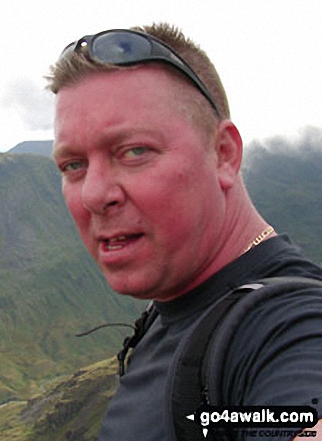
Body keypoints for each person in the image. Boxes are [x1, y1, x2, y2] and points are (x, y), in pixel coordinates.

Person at [48, 23, 322, 440]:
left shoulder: (290, 328)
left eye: (135, 151)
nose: (93, 194)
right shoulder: (175, 309)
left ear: (223, 154)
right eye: (73, 165)